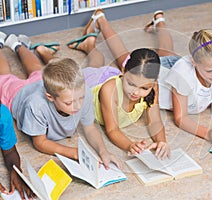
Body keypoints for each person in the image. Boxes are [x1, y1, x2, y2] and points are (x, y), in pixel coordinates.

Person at [0, 32, 121, 169]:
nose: (77, 106)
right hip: (18, 94)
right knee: (5, 77)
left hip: (42, 83)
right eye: (68, 103)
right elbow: (40, 142)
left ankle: (17, 45)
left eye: (80, 98)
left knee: (37, 70)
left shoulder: (82, 91)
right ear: (50, 97)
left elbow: (90, 127)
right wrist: (75, 153)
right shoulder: (36, 105)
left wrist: (103, 151)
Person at [66, 9, 173, 159]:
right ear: (123, 70)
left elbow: (155, 120)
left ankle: (88, 44)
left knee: (97, 61)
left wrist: (162, 141)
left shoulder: (152, 87)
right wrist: (129, 145)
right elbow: (112, 129)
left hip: (113, 78)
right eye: (131, 84)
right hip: (93, 82)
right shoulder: (109, 91)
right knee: (91, 66)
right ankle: (87, 45)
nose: (135, 92)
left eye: (144, 88)